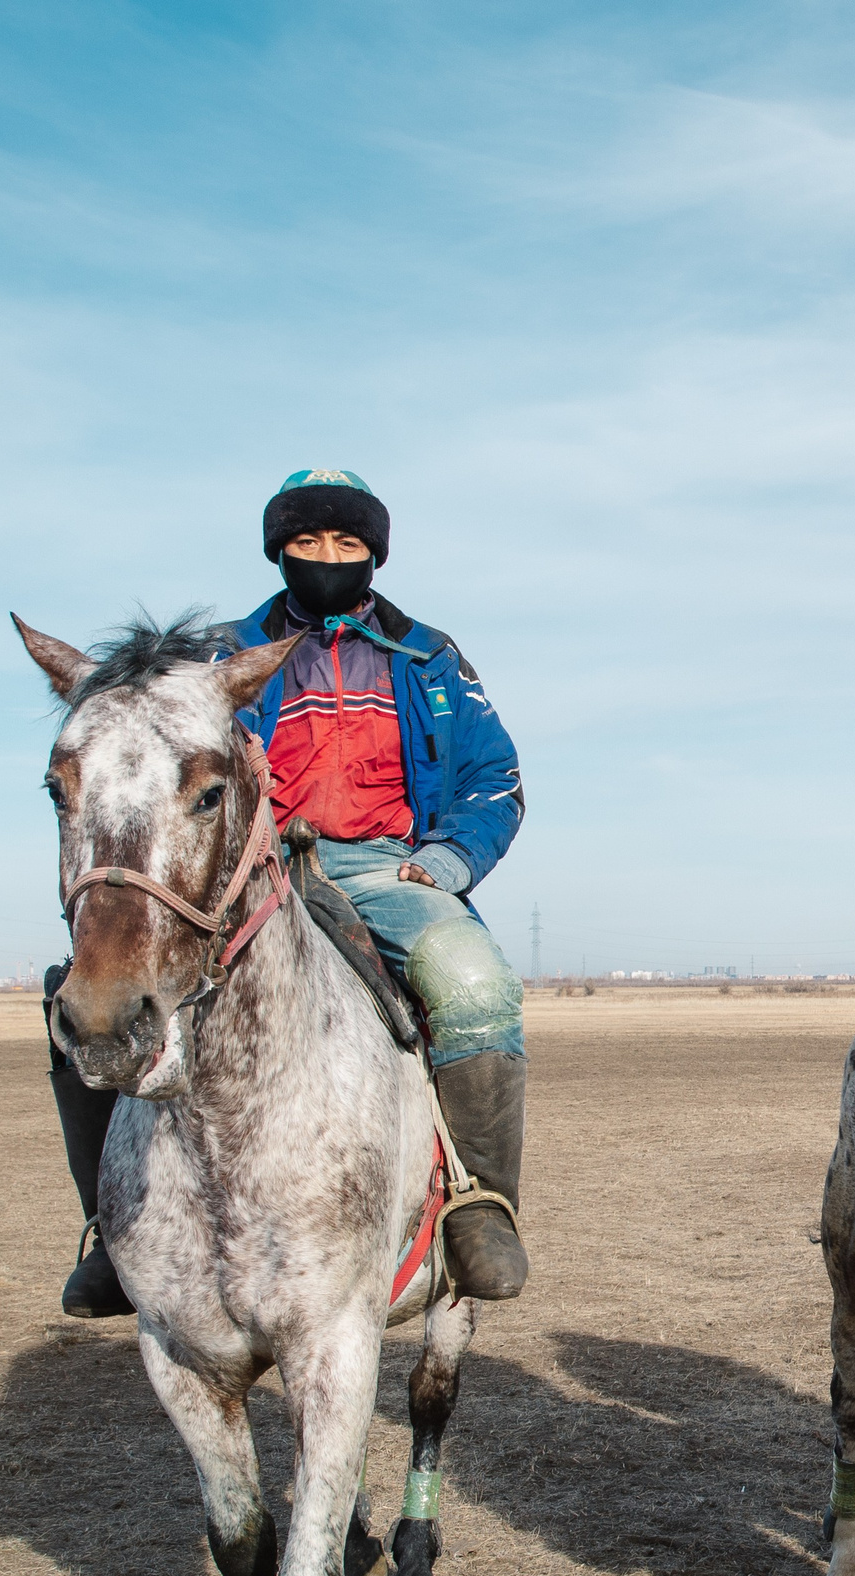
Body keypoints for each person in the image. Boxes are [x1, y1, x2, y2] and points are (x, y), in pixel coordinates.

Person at [49, 468, 530, 1316]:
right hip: (244, 870)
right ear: (280, 551)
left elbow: (495, 777)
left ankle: (476, 1207)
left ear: (373, 553)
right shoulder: (211, 661)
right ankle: (108, 1226)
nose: (327, 557)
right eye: (306, 543)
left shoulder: (430, 656)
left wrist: (449, 863)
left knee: (474, 983)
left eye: (347, 543)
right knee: (78, 998)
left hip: (387, 867)